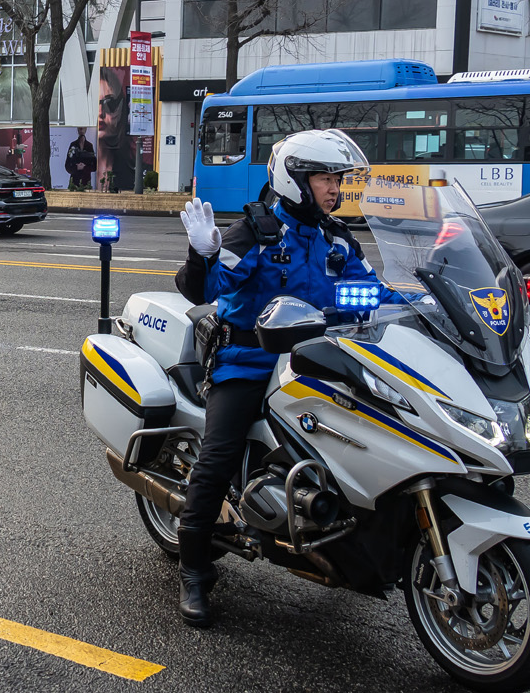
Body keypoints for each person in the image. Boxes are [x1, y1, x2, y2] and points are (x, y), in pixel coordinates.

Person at [170, 129, 402, 628]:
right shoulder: (255, 232)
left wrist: (431, 301)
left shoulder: (336, 239)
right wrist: (201, 253)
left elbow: (375, 292)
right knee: (217, 457)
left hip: (320, 362)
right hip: (249, 363)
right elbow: (202, 289)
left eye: (337, 179)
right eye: (324, 178)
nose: (334, 188)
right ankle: (193, 570)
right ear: (295, 180)